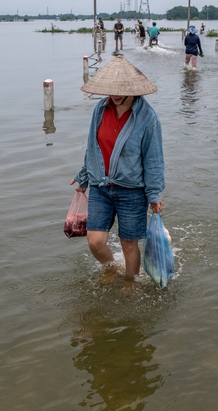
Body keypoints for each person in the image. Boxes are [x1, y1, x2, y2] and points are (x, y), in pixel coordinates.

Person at [72, 55, 165, 280]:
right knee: (95, 241)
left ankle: (131, 283)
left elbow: (153, 158)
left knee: (129, 244)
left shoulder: (148, 117)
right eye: (111, 90)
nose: (114, 95)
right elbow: (92, 145)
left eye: (120, 90)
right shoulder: (101, 109)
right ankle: (112, 268)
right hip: (101, 187)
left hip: (131, 190)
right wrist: (84, 177)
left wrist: (154, 193)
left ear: (133, 90)